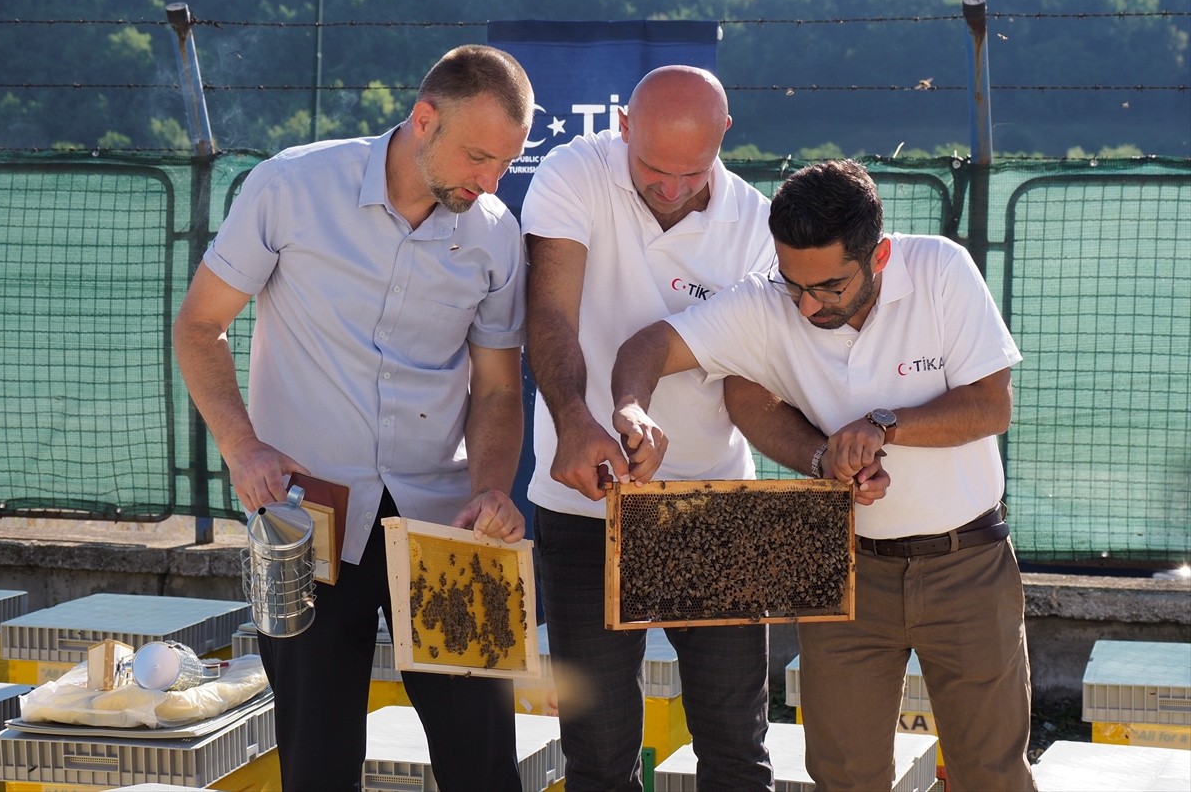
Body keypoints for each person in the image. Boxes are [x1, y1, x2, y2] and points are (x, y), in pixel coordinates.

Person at [172, 45, 535, 792]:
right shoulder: (290, 187)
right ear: (423, 120)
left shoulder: (495, 231)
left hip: (448, 523)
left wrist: (493, 490)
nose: (489, 182)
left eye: (504, 164)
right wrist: (242, 450)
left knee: (484, 758)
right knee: (317, 758)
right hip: (308, 516)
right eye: (477, 157)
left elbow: (498, 389)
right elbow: (198, 326)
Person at [611, 159, 1037, 791]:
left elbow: (990, 405)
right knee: (844, 775)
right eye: (794, 285)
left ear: (881, 255)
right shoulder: (763, 301)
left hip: (968, 565)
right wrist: (631, 409)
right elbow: (658, 352)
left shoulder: (942, 269)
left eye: (831, 288)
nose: (808, 306)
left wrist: (882, 426)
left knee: (991, 772)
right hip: (842, 566)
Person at [522, 66, 885, 792]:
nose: (670, 187)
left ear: (725, 136)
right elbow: (550, 310)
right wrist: (576, 421)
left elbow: (748, 395)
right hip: (584, 499)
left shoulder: (757, 224)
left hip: (714, 503)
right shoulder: (572, 170)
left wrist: (820, 458)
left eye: (692, 170)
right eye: (653, 166)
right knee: (596, 749)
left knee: (733, 745)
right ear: (623, 126)